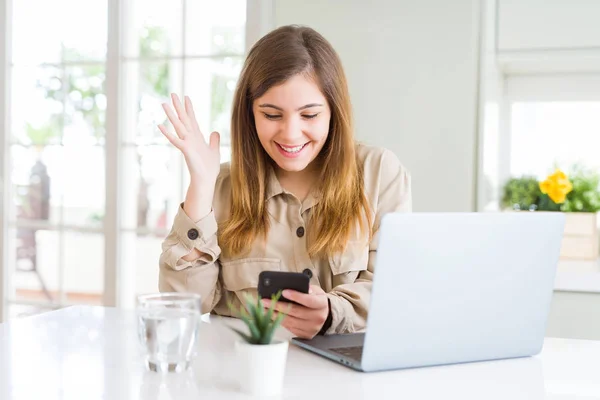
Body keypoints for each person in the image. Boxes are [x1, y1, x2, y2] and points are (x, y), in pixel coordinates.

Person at [158, 25, 411, 339]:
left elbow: (395, 289)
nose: (291, 134)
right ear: (249, 114)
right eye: (272, 115)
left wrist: (334, 312)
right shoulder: (220, 185)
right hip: (247, 374)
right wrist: (201, 185)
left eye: (309, 115)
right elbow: (185, 305)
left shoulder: (379, 172)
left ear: (334, 112)